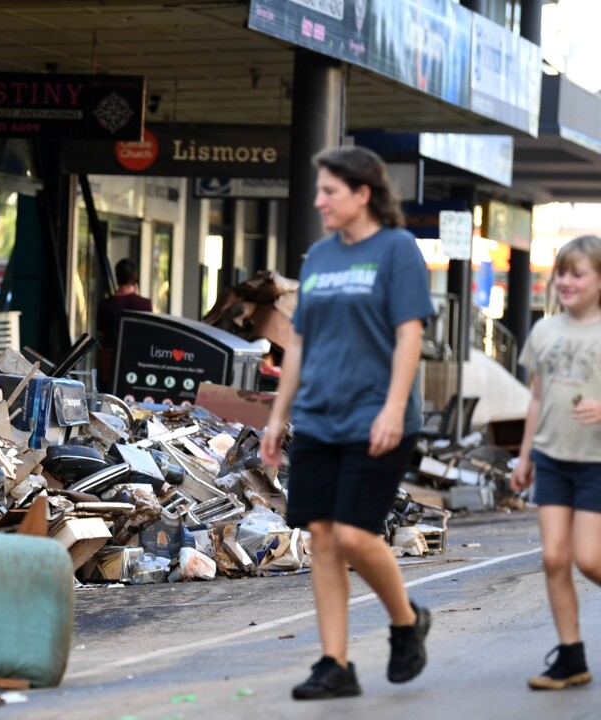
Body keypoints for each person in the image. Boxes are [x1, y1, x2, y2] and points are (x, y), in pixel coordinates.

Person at [260, 146, 436, 700]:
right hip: (320, 417)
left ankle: (406, 622)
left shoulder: (397, 250)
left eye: (329, 191)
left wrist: (392, 406)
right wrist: (277, 416)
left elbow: (411, 333)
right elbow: (301, 343)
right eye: (319, 191)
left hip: (378, 417)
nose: (319, 201)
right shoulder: (320, 259)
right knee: (324, 538)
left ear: (363, 193)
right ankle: (335, 663)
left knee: (357, 534)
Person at [509, 234, 601, 691]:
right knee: (553, 558)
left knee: (590, 560)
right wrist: (524, 457)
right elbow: (537, 399)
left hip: (596, 462)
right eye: (561, 272)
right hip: (551, 458)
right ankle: (570, 656)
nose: (565, 281)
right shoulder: (544, 331)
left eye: (577, 273)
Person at [96, 258, 152, 393]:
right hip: (138, 362)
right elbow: (149, 333)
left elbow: (101, 332)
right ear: (135, 277)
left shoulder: (106, 304)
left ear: (117, 276)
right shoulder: (144, 304)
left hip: (109, 364)